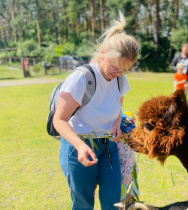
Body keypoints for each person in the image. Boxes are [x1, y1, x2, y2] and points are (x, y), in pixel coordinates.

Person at [53, 12, 140, 210]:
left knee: (113, 203)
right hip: (79, 147)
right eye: (115, 66)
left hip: (108, 147)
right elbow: (60, 120)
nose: (117, 73)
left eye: (124, 70)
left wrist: (117, 124)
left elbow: (117, 108)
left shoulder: (120, 80)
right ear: (103, 53)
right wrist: (80, 146)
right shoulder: (81, 78)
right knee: (83, 204)